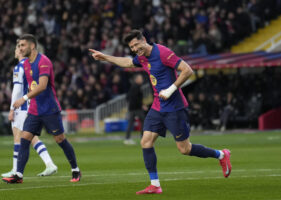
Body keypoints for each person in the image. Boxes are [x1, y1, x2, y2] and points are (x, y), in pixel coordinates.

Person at [89, 29, 232, 195]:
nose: (135, 49)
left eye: (136, 44)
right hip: (157, 107)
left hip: (175, 108)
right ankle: (155, 184)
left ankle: (221, 155)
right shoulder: (142, 57)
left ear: (144, 40)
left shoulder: (163, 52)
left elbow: (187, 70)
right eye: (132, 47)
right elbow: (127, 63)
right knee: (146, 141)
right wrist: (105, 57)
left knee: (185, 149)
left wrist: (170, 90)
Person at [2, 34, 81, 184]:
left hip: (49, 109)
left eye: (22, 45)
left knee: (60, 139)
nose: (20, 48)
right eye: (19, 46)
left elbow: (42, 86)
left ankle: (75, 169)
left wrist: (23, 99)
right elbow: (26, 85)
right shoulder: (25, 64)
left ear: (32, 46)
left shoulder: (44, 61)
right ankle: (18, 175)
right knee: (24, 139)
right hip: (34, 110)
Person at [1, 42, 58, 178]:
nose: (16, 50)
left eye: (17, 48)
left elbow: (17, 90)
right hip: (30, 105)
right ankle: (48, 164)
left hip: (22, 107)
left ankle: (17, 170)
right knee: (29, 138)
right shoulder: (31, 66)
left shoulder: (19, 67)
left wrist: (11, 108)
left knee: (20, 137)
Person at [124, 74, 146, 145]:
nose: (142, 80)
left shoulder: (134, 86)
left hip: (133, 108)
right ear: (136, 79)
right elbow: (134, 98)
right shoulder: (136, 87)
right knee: (143, 121)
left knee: (131, 123)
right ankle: (143, 138)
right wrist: (141, 105)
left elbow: (128, 97)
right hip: (136, 108)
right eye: (140, 78)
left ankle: (127, 138)